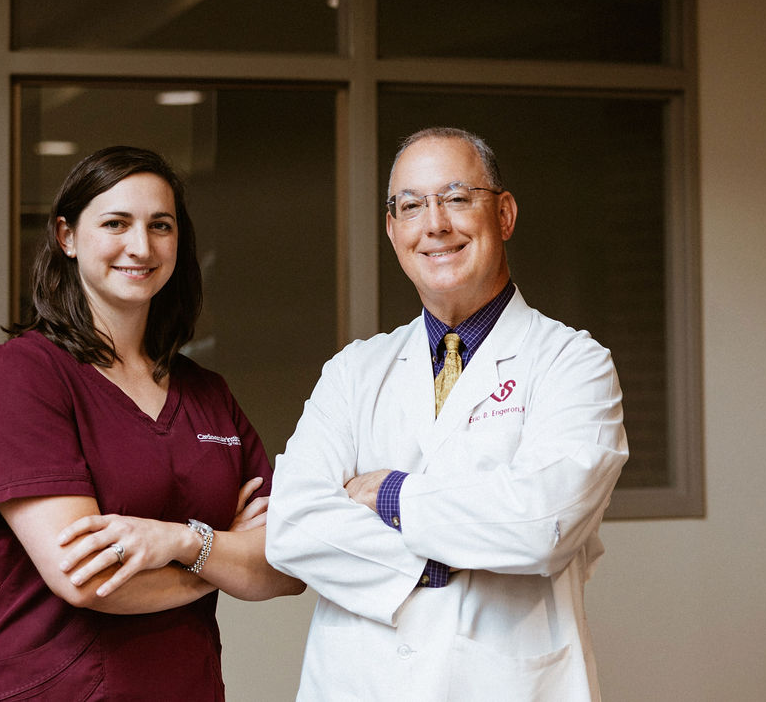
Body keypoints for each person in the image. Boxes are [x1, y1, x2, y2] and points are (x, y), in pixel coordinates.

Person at [266, 127, 629, 701]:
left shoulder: (572, 363)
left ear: (504, 215)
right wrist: (442, 561)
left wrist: (390, 496)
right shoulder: (353, 371)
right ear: (393, 230)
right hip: (359, 682)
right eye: (411, 206)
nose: (434, 224)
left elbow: (541, 524)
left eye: (457, 198)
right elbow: (291, 523)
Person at [0, 145, 303, 701]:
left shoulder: (207, 393)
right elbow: (87, 578)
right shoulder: (20, 375)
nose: (140, 247)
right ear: (67, 237)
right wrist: (222, 553)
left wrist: (179, 541)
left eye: (160, 226)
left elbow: (286, 566)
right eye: (116, 223)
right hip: (53, 688)